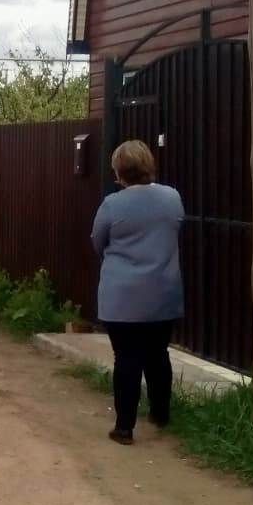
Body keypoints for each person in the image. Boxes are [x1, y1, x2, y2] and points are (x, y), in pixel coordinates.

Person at [91, 140, 184, 446]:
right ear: (148, 165)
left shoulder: (112, 204)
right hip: (163, 292)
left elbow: (97, 241)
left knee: (126, 358)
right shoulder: (172, 197)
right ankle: (160, 414)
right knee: (158, 355)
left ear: (118, 171)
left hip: (122, 297)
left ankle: (124, 427)